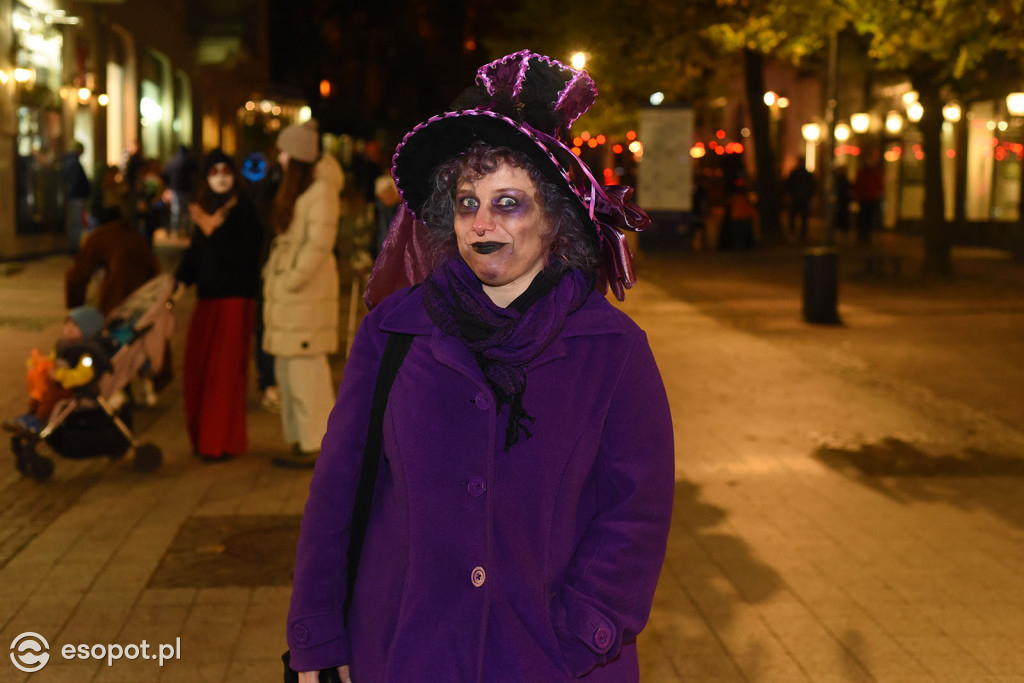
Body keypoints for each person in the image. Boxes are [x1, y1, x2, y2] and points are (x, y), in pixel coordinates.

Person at [283, 50, 674, 683]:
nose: (482, 223)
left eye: (509, 203)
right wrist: (319, 638)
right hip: (404, 654)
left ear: (556, 217)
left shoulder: (614, 350)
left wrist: (582, 631)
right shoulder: (394, 331)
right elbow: (339, 493)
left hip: (555, 663)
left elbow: (636, 511)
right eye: (467, 204)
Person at [262, 120, 344, 468]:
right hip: (291, 294)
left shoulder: (320, 193)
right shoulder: (303, 191)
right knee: (289, 371)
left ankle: (317, 443)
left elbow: (318, 245)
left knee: (306, 372)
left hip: (304, 294)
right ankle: (301, 439)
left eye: (283, 151)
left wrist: (292, 279)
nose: (279, 158)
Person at [174, 149, 263, 463]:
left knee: (223, 375)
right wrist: (178, 283)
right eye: (214, 172)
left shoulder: (244, 210)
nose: (221, 177)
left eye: (226, 171)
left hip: (234, 300)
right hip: (207, 301)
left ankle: (219, 442)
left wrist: (214, 230)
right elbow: (196, 256)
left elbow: (246, 254)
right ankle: (203, 438)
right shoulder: (206, 209)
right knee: (199, 370)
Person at [61, 141, 91, 254]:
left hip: (75, 196)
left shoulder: (71, 161)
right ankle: (74, 247)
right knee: (76, 222)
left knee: (75, 222)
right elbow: (75, 182)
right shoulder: (73, 162)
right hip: (76, 196)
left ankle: (74, 246)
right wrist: (79, 194)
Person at [163, 145, 197, 240]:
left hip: (176, 190)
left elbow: (165, 175)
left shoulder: (172, 161)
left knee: (176, 211)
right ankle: (185, 230)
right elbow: (195, 172)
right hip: (186, 189)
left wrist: (168, 187)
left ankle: (176, 231)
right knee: (186, 212)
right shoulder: (188, 161)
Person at [854, 149, 884, 248]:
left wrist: (877, 193)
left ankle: (867, 236)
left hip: (871, 198)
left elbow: (879, 185)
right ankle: (862, 236)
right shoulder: (863, 173)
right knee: (863, 218)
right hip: (864, 198)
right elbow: (858, 184)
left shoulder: (875, 173)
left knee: (869, 218)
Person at [785, 157, 815, 242]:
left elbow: (789, 185)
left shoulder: (798, 173)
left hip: (799, 198)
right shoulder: (803, 174)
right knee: (801, 217)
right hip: (800, 198)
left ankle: (797, 232)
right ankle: (800, 233)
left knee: (797, 217)